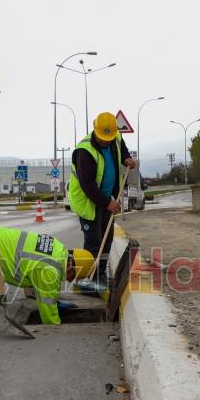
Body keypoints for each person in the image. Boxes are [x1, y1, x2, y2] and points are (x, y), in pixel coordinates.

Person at [67, 112, 135, 285]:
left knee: (107, 238)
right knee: (93, 242)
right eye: (103, 137)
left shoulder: (115, 136)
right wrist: (107, 203)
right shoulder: (84, 151)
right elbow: (88, 185)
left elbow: (122, 147)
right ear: (95, 129)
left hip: (106, 198)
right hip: (88, 201)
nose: (106, 141)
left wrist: (126, 158)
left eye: (109, 137)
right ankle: (88, 277)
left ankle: (100, 274)